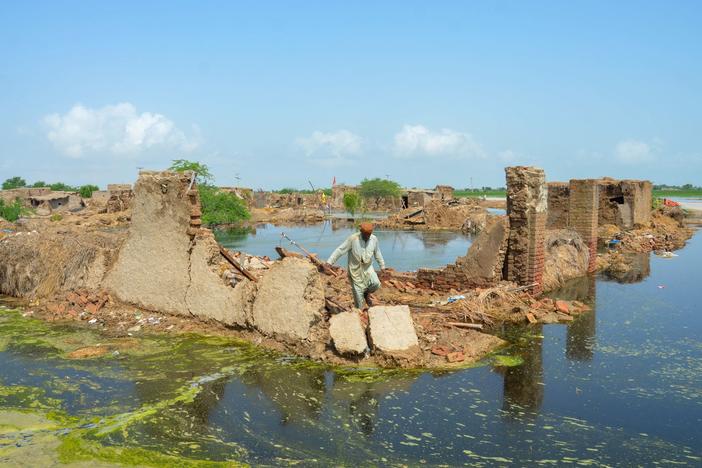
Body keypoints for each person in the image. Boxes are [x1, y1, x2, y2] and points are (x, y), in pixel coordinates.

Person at [326, 222, 385, 309]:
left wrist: (382, 267)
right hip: (355, 271)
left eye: (369, 234)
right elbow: (340, 250)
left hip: (368, 268)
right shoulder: (353, 239)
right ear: (361, 232)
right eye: (365, 234)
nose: (367, 236)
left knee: (376, 284)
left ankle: (366, 293)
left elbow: (377, 253)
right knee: (358, 297)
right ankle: (359, 313)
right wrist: (329, 262)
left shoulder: (374, 239)